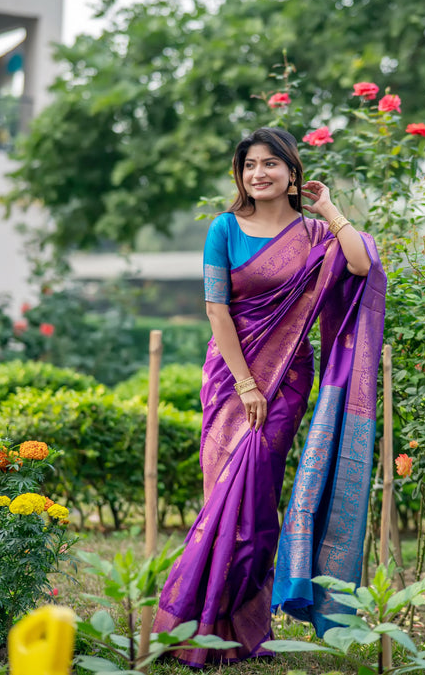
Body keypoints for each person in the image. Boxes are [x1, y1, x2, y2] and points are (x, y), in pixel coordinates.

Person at [153, 127, 386, 667]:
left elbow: (359, 264)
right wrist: (246, 383)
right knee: (222, 498)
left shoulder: (312, 233)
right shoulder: (224, 228)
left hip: (288, 379)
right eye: (249, 165)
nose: (258, 173)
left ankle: (243, 631)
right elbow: (217, 310)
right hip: (232, 378)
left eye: (270, 164)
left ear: (291, 172)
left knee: (256, 503)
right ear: (240, 175)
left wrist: (330, 209)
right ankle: (195, 623)